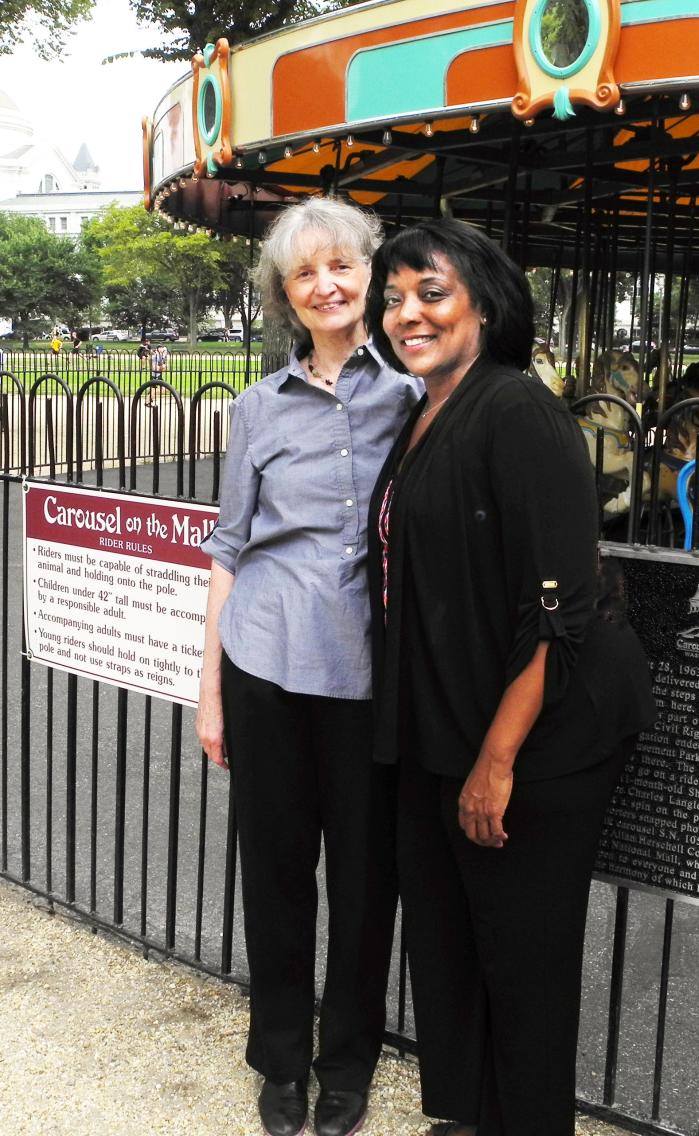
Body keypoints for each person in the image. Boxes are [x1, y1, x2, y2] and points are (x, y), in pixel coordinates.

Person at [365, 219, 654, 1136]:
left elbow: (556, 610)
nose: (407, 312)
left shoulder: (519, 412)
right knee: (448, 952)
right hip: (442, 726)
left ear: (485, 306)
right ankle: (464, 1117)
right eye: (396, 295)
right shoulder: (423, 410)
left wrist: (498, 760)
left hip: (536, 737)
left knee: (522, 968)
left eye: (431, 292)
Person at [196, 197, 420, 1136]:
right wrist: (209, 693)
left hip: (372, 681)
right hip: (267, 668)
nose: (326, 285)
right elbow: (228, 550)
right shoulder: (256, 409)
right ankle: (280, 1061)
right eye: (303, 274)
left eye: (342, 266)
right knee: (276, 878)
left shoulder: (415, 393)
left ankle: (349, 1063)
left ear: (371, 271)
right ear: (285, 296)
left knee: (366, 886)